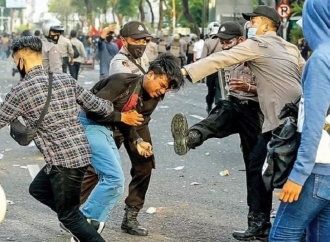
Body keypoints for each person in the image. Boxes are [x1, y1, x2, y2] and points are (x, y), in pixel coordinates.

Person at [179, 6, 305, 241]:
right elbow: (304, 76)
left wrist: (185, 72)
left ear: (267, 24)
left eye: (254, 21)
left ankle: (271, 226)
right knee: (269, 168)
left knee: (269, 170)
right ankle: (263, 225)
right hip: (295, 117)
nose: (250, 25)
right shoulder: (291, 48)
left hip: (278, 121)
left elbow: (222, 58)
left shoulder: (258, 44)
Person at [1, 36, 115, 242]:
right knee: (38, 189)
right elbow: (100, 107)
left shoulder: (19, 91)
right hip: (81, 153)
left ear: (21, 62)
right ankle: (85, 223)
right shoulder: (65, 79)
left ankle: (84, 225)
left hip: (63, 163)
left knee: (68, 216)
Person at [171, 22, 263, 235]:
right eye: (221, 42)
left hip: (256, 111)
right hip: (234, 104)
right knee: (220, 111)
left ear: (241, 40)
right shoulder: (227, 55)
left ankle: (258, 225)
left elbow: (275, 88)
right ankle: (191, 137)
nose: (224, 45)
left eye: (227, 41)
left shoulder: (257, 55)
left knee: (255, 167)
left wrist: (249, 87)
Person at [80, 53, 185, 236]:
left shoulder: (154, 96)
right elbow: (92, 112)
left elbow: (135, 121)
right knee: (100, 171)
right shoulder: (122, 82)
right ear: (151, 74)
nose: (162, 92)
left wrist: (138, 141)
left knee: (145, 164)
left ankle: (131, 217)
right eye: (162, 85)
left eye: (166, 90)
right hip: (99, 124)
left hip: (130, 125)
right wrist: (122, 118)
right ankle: (72, 214)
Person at [269, 0, 330, 241]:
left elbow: (314, 124)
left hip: (316, 170)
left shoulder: (321, 60)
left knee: (282, 235)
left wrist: (298, 175)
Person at [201, 30, 222, 113]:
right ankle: (219, 105)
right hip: (223, 68)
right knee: (220, 88)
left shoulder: (207, 42)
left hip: (211, 69)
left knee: (210, 88)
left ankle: (209, 104)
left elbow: (203, 58)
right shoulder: (225, 41)